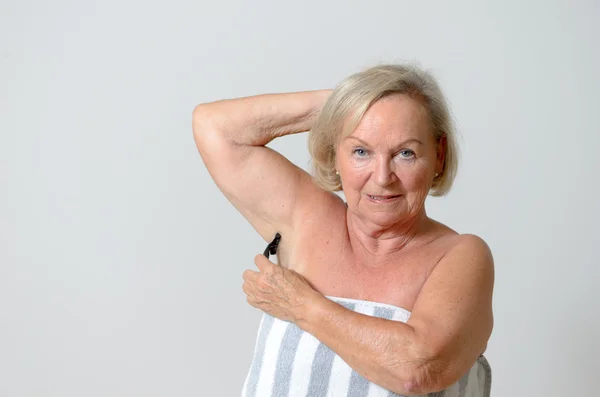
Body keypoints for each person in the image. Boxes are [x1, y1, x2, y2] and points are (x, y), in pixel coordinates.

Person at [192, 64, 494, 396]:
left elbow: (416, 370)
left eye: (405, 153)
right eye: (361, 150)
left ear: (438, 155)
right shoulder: (308, 217)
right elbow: (215, 127)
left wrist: (301, 305)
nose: (382, 177)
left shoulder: (460, 255)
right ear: (336, 153)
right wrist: (344, 105)